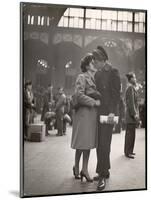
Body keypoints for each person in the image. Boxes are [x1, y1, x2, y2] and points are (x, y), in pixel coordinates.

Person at [93, 46, 121, 190]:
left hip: (108, 114)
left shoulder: (113, 72)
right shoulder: (97, 74)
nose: (94, 64)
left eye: (96, 61)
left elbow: (116, 95)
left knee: (105, 144)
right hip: (99, 113)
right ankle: (104, 170)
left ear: (103, 60)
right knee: (100, 144)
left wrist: (112, 111)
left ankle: (102, 176)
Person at [71, 53, 101, 182]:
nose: (95, 65)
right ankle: (77, 167)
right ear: (87, 65)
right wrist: (94, 102)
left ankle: (84, 169)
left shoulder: (94, 78)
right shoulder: (81, 77)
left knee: (87, 143)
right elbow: (79, 95)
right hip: (83, 115)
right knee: (81, 143)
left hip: (91, 115)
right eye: (93, 63)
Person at [124, 72, 139, 159]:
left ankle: (129, 151)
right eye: (134, 77)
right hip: (130, 115)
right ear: (131, 79)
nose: (135, 79)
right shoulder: (130, 88)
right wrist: (134, 114)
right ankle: (127, 152)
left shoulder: (132, 88)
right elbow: (131, 103)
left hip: (131, 115)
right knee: (130, 134)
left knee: (131, 134)